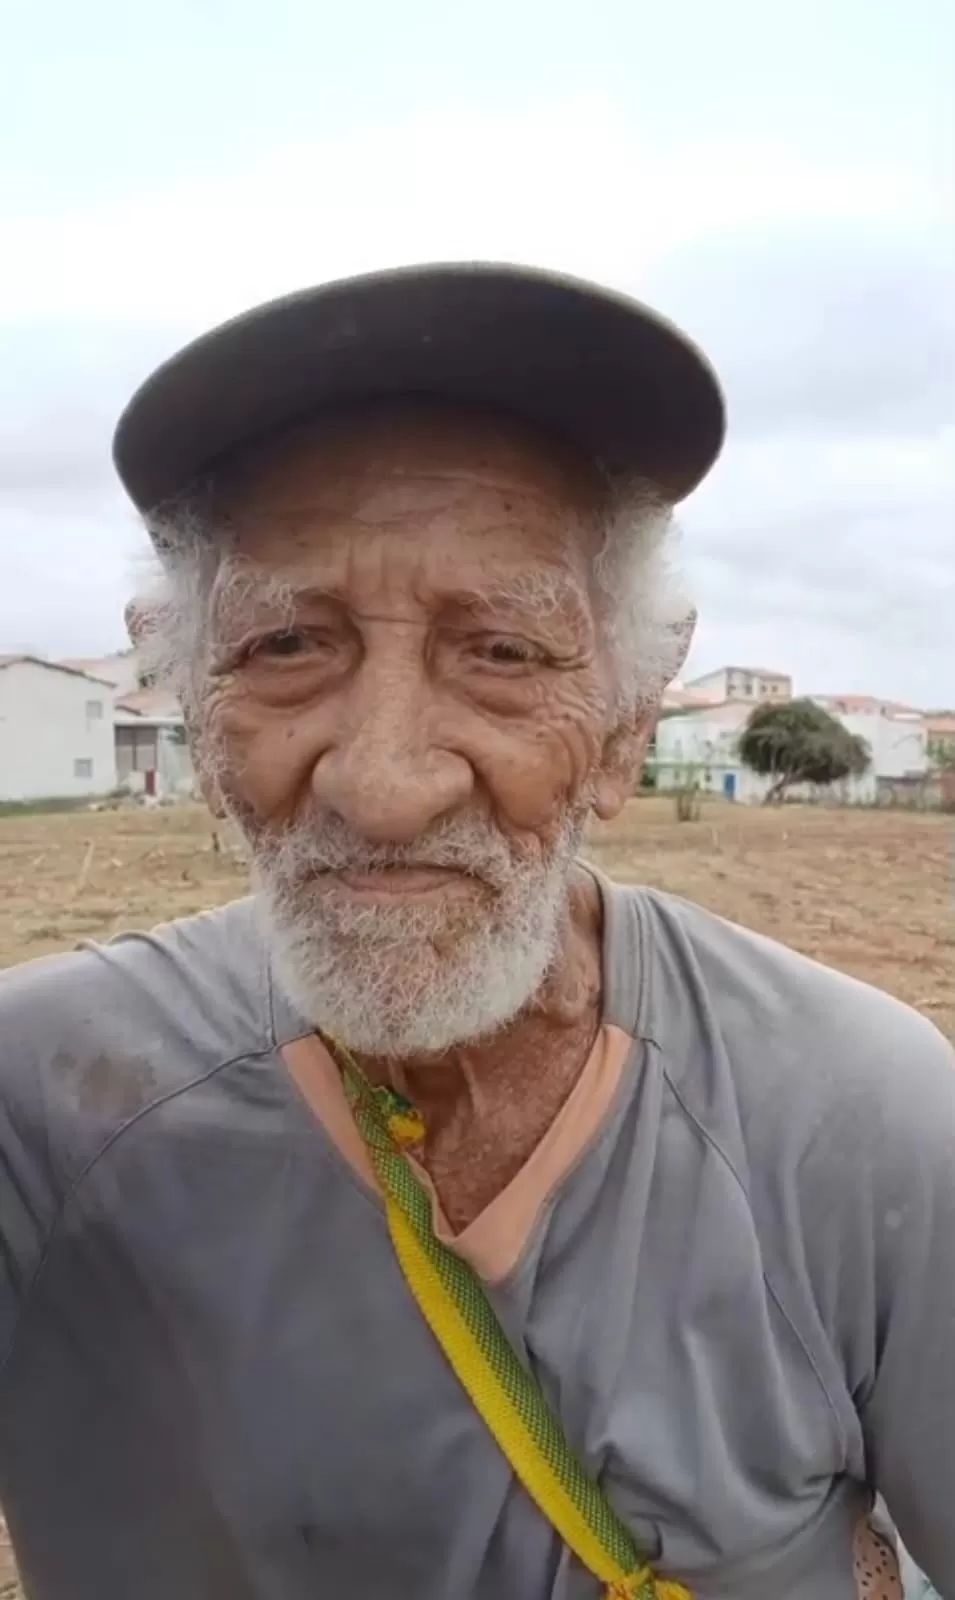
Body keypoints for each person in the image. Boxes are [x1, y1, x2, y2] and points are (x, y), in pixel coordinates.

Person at [0, 263, 951, 1600]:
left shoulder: (861, 1116)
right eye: (286, 645)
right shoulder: (38, 1109)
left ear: (623, 730)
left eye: (501, 652)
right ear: (198, 716)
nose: (384, 784)